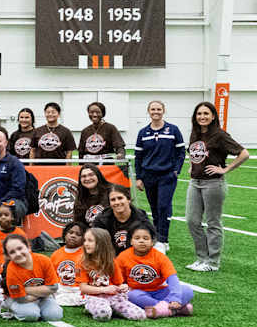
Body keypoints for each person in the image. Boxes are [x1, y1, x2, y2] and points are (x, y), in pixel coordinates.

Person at [184, 101, 249, 272]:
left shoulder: (220, 135)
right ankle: (201, 258)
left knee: (213, 222)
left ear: (213, 116)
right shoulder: (195, 134)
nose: (202, 117)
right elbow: (194, 153)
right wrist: (193, 165)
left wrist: (225, 169)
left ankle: (212, 262)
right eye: (199, 114)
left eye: (206, 113)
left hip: (213, 184)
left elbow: (244, 153)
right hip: (195, 182)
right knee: (192, 221)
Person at [131, 100, 185, 252]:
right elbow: (138, 156)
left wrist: (176, 170)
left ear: (163, 111)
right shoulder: (143, 132)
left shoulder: (173, 130)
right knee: (154, 208)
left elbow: (181, 152)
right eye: (153, 109)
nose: (156, 112)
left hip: (167, 175)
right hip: (149, 176)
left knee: (163, 206)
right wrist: (139, 177)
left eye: (159, 109)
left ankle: (163, 239)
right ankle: (156, 238)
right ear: (148, 111)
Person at [118, 225, 193, 319]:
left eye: (146, 238)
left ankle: (160, 309)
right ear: (131, 241)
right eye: (137, 238)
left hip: (160, 290)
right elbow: (117, 277)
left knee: (187, 290)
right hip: (139, 292)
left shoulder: (160, 257)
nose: (141, 241)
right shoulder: (123, 256)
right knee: (131, 296)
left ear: (152, 242)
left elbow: (172, 278)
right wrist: (121, 285)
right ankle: (173, 309)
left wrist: (175, 298)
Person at [77, 227, 145, 322]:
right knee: (103, 314)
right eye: (85, 240)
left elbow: (118, 283)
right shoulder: (82, 262)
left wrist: (123, 287)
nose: (85, 244)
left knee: (139, 315)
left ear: (101, 244)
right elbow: (83, 288)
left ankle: (114, 308)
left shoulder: (112, 262)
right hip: (94, 297)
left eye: (90, 241)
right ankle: (93, 307)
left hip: (113, 296)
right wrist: (104, 289)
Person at [1, 234, 63, 322]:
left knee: (55, 315)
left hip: (43, 297)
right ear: (8, 256)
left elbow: (53, 287)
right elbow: (21, 298)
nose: (18, 254)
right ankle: (9, 305)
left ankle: (38, 307)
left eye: (20, 248)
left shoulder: (44, 260)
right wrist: (43, 291)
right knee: (31, 315)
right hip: (18, 299)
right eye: (12, 252)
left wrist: (25, 289)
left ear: (28, 247)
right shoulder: (11, 269)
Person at [92, 186, 153, 253]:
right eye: (113, 200)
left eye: (120, 198)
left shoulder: (141, 217)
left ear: (128, 199)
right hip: (110, 257)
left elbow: (150, 240)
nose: (117, 202)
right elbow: (97, 244)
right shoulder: (101, 220)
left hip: (135, 257)